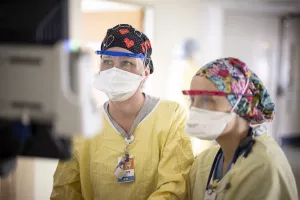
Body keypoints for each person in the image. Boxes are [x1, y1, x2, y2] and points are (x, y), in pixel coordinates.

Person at [50, 24, 194, 200]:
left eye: (126, 62)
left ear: (145, 73)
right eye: (107, 62)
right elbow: (65, 191)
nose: (114, 70)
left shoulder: (170, 116)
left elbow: (174, 188)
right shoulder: (83, 125)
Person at [183, 57, 298, 200]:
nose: (195, 109)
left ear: (239, 103)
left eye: (206, 100)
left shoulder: (264, 167)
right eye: (192, 100)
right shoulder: (204, 161)